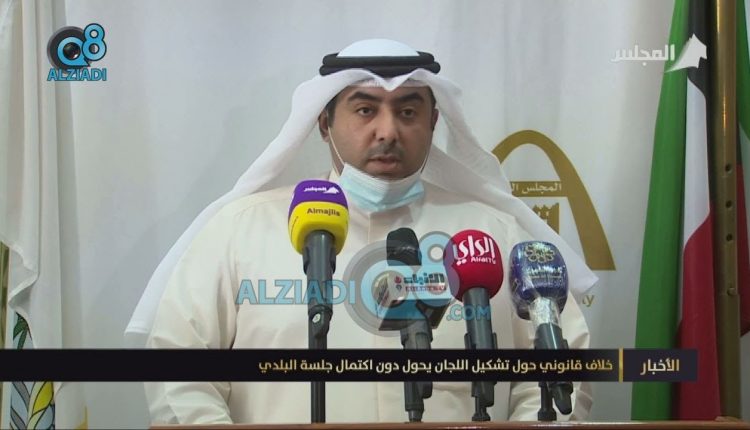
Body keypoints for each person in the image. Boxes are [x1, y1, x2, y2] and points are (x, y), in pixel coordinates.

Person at [135, 39, 596, 424]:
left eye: (408, 112)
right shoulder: (240, 230)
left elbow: (561, 372)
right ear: (323, 123)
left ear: (434, 123)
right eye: (364, 110)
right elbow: (180, 370)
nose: (387, 131)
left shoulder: (494, 234)